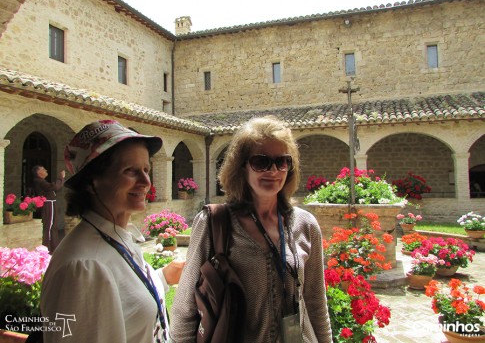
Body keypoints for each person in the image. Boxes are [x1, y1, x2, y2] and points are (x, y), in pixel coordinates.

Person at [170, 116, 333, 342]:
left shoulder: (305, 225)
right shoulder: (213, 223)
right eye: (261, 161)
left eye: (282, 162)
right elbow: (184, 310)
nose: (273, 170)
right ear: (242, 167)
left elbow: (316, 304)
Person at [40, 120, 184, 343]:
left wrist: (164, 277)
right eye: (130, 171)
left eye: (146, 170)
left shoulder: (116, 237)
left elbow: (127, 299)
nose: (146, 181)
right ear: (92, 182)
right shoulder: (83, 267)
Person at [32, 165, 65, 253]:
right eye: (43, 169)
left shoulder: (41, 181)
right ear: (39, 173)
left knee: (53, 226)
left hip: (51, 204)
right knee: (49, 226)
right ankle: (47, 247)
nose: (46, 170)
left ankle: (53, 246)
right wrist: (61, 178)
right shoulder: (39, 181)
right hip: (48, 204)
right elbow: (54, 187)